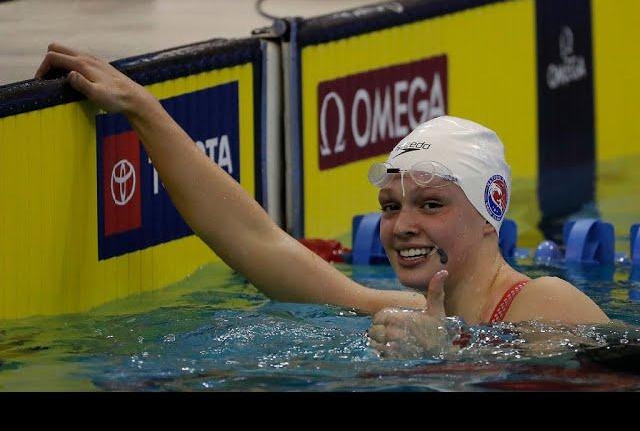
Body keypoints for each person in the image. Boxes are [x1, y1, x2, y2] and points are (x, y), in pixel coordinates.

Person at [35, 43, 609, 358]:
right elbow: (258, 242)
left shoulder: (545, 304)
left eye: (430, 205)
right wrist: (144, 109)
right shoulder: (415, 314)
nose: (403, 226)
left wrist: (456, 360)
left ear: (491, 210)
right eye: (389, 207)